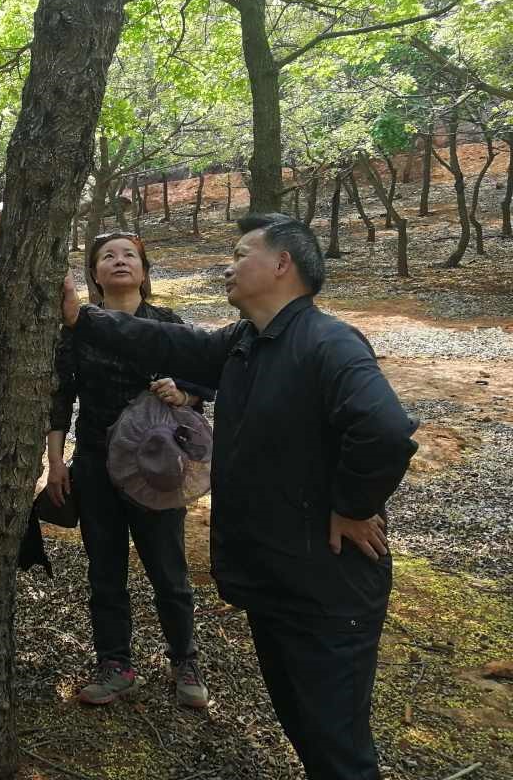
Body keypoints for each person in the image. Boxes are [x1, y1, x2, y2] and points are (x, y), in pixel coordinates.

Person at [61, 214, 418, 780]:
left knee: (336, 740)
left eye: (241, 254)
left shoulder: (327, 341)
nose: (228, 266)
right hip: (277, 574)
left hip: (327, 583)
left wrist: (353, 505)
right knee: (303, 723)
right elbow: (167, 341)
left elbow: (386, 430)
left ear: (282, 264)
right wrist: (82, 318)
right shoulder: (246, 342)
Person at [46, 232, 212, 708]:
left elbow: (203, 383)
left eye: (129, 255)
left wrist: (184, 394)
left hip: (159, 468)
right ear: (94, 275)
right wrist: (55, 461)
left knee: (169, 569)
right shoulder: (76, 328)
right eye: (107, 256)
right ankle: (115, 665)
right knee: (105, 569)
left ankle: (184, 661)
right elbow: (60, 398)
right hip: (96, 463)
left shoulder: (167, 324)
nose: (119, 261)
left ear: (144, 270)